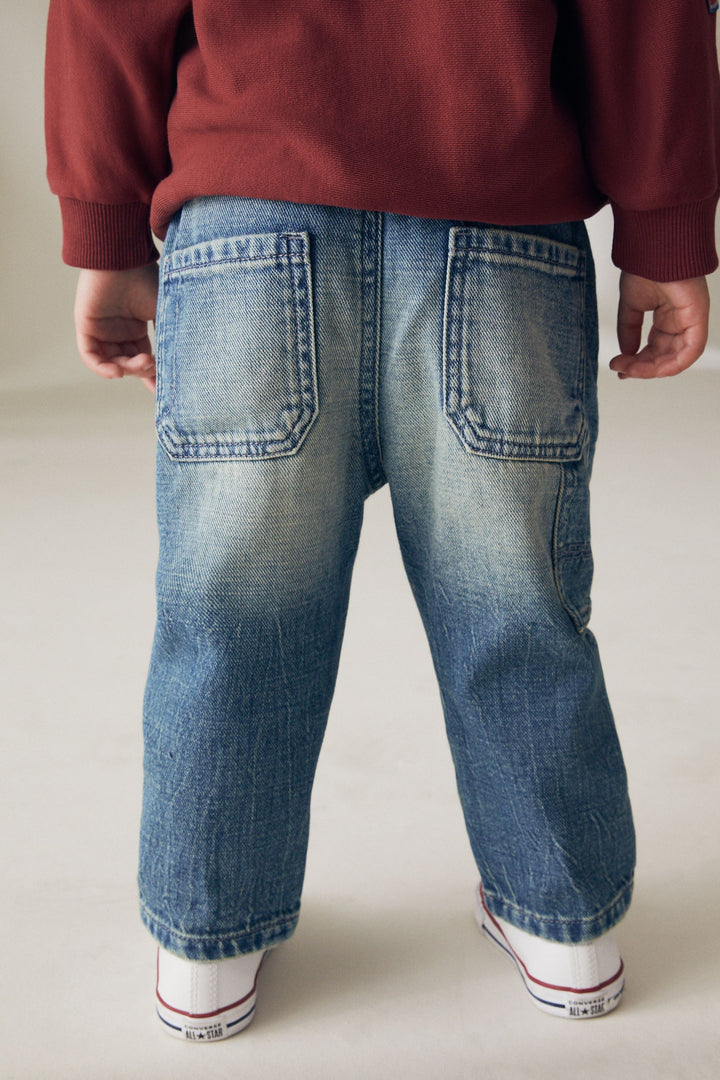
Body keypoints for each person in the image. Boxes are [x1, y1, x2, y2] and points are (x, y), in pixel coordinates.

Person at [45, 1, 719, 1041]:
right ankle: (564, 924)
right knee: (515, 602)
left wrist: (105, 223)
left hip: (249, 215)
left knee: (232, 612)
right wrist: (664, 228)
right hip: (496, 214)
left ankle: (207, 940)